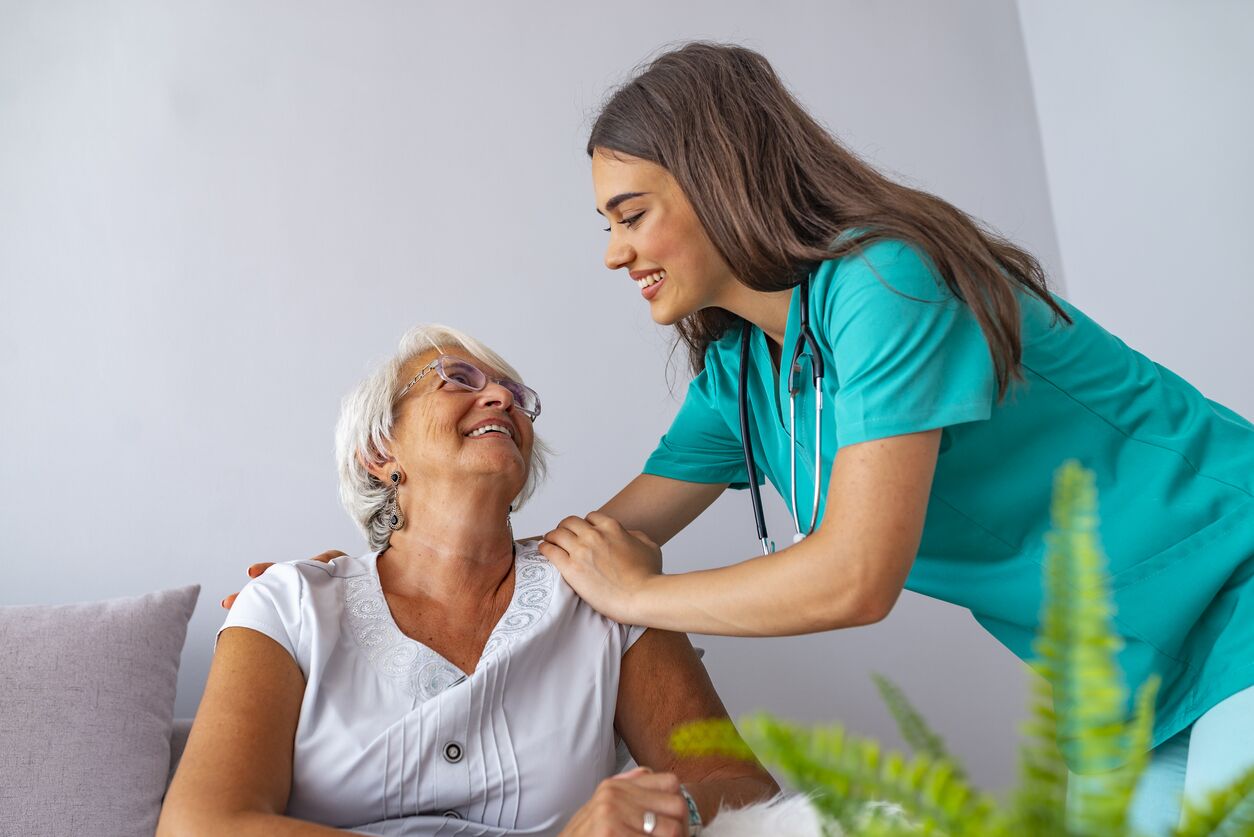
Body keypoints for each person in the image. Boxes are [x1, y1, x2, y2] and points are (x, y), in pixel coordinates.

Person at [527, 42, 1251, 833]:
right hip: (1121, 686)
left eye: (631, 215)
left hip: (1232, 590)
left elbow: (856, 574)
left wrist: (637, 594)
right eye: (607, 223)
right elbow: (607, 538)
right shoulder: (740, 374)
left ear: (717, 178)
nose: (613, 252)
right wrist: (408, 578)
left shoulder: (886, 281)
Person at [168, 324, 776, 837]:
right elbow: (203, 825)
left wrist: (665, 814)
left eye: (516, 396)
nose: (502, 400)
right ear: (380, 451)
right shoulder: (289, 602)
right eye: (459, 380)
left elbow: (745, 788)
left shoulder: (603, 590)